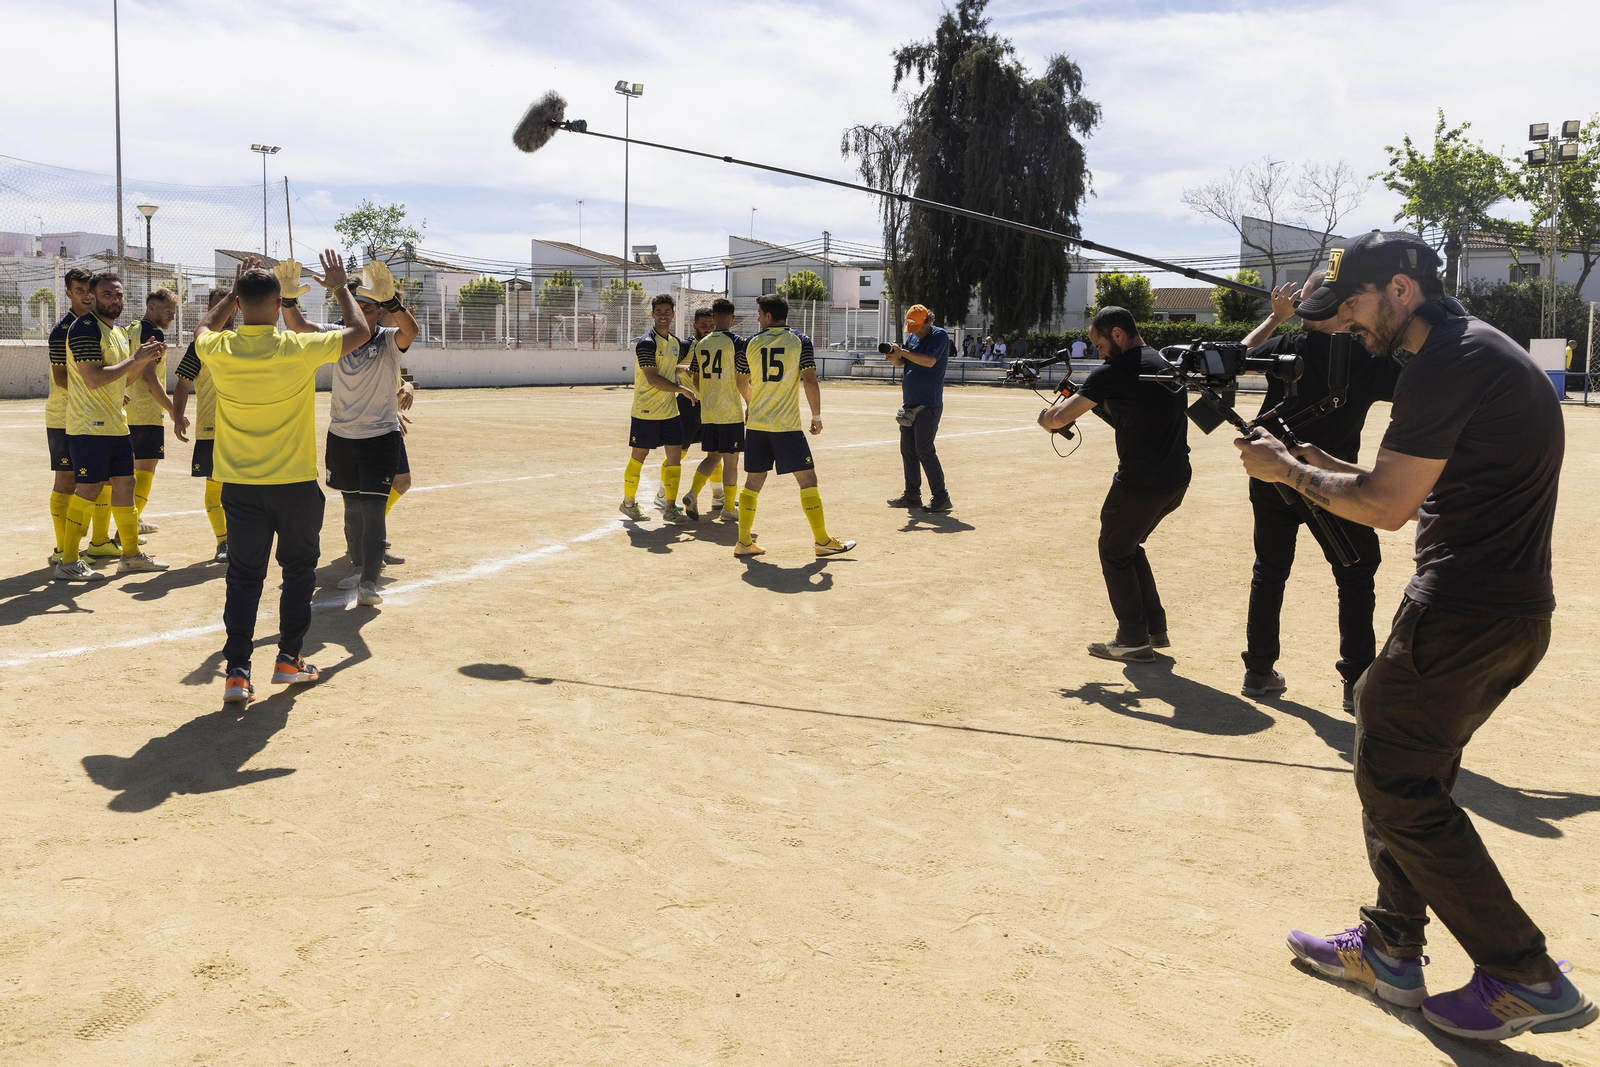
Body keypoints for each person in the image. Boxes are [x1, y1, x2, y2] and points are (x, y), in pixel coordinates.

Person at [1237, 231, 1594, 1042]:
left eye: (1355, 307)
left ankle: (1523, 972)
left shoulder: (1446, 362)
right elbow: (1411, 489)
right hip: (1501, 611)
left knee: (1397, 781)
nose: (1349, 325)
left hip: (1465, 610)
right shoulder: (1477, 351)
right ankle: (1393, 943)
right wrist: (1324, 460)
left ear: (1401, 290)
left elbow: (1386, 506)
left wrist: (1288, 472)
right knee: (1395, 746)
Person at [193, 251, 371, 705]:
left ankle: (236, 672)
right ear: (278, 306)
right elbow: (361, 332)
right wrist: (338, 287)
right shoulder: (298, 348)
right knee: (297, 573)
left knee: (243, 578)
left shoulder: (219, 349)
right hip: (293, 485)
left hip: (239, 485)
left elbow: (203, 329)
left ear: (239, 304)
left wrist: (231, 296)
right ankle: (288, 660)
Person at [1237, 272, 1398, 708]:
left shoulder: (1284, 346)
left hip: (1270, 473)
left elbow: (1236, 357)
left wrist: (1274, 319)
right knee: (1356, 576)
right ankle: (1356, 682)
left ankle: (1258, 670)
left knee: (1269, 571)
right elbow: (1420, 388)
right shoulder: (1368, 358)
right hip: (1334, 486)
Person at [1038, 306, 1190, 661]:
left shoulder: (1116, 368)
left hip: (1140, 481)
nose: (1098, 353)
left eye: (1099, 344)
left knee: (1113, 551)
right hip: (1176, 478)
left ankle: (1133, 639)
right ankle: (1153, 629)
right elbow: (1134, 417)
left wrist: (1045, 418)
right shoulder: (1163, 362)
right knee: (1129, 547)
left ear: (1117, 334)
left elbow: (1059, 417)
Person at [279, 258, 417, 606]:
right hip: (341, 438)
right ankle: (360, 567)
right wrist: (287, 299)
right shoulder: (334, 335)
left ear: (378, 313)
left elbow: (410, 331)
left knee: (372, 511)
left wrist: (393, 302)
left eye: (370, 309)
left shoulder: (387, 340)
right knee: (352, 511)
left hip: (380, 438)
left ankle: (369, 582)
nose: (363, 314)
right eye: (359, 308)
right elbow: (297, 326)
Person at [55, 272, 168, 580]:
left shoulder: (116, 331)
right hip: (89, 426)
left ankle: (130, 556)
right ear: (91, 297)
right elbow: (93, 379)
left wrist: (144, 360)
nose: (114, 300)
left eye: (118, 295)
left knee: (125, 485)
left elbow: (124, 380)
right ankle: (67, 561)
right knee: (89, 489)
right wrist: (136, 359)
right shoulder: (84, 329)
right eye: (107, 295)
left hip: (116, 424)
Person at [732, 292, 855, 558]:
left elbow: (741, 383)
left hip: (756, 425)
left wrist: (753, 404)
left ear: (767, 316)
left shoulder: (748, 343)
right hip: (785, 425)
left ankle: (743, 542)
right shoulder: (800, 340)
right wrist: (817, 416)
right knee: (808, 479)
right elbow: (809, 380)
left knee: (753, 480)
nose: (757, 319)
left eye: (759, 315)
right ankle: (822, 540)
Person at [619, 293, 697, 523]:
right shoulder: (646, 343)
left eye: (667, 312)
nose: (663, 316)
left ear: (673, 314)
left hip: (669, 411)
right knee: (639, 457)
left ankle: (670, 508)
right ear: (652, 314)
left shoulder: (674, 343)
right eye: (659, 312)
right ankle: (628, 504)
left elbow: (667, 366)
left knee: (674, 457)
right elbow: (652, 379)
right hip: (646, 411)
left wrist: (680, 369)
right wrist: (682, 389)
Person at [172, 290, 232, 562]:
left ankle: (244, 540)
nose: (226, 310)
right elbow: (183, 383)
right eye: (219, 305)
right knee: (214, 489)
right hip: (211, 429)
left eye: (231, 304)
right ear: (210, 308)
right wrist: (177, 417)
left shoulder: (244, 341)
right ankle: (224, 542)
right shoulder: (199, 345)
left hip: (243, 430)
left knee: (245, 490)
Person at [44, 267, 96, 564]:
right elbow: (62, 378)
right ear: (68, 294)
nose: (87, 296)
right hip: (64, 416)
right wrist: (99, 388)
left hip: (91, 414)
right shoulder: (62, 331)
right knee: (66, 478)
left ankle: (95, 543)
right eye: (80, 291)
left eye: (90, 290)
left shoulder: (97, 326)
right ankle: (63, 549)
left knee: (98, 478)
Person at [883, 303, 952, 512]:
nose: (916, 333)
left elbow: (930, 361)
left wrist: (904, 352)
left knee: (924, 450)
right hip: (909, 402)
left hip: (928, 403)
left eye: (918, 328)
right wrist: (895, 357)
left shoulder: (939, 336)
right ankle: (912, 495)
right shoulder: (913, 336)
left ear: (928, 321)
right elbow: (902, 364)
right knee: (909, 452)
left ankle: (941, 497)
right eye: (912, 329)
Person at [123, 287, 179, 533]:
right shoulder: (153, 333)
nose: (172, 317)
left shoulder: (132, 327)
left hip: (127, 409)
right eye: (168, 311)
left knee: (133, 470)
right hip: (145, 411)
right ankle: (126, 528)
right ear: (151, 307)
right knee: (146, 468)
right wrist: (173, 409)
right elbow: (149, 377)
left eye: (174, 312)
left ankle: (133, 518)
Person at [683, 301, 743, 522]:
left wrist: (706, 395)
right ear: (732, 318)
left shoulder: (702, 344)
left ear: (714, 318)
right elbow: (743, 377)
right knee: (731, 461)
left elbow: (696, 377)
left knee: (712, 457)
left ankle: (692, 493)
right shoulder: (737, 342)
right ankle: (728, 508)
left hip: (708, 411)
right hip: (730, 411)